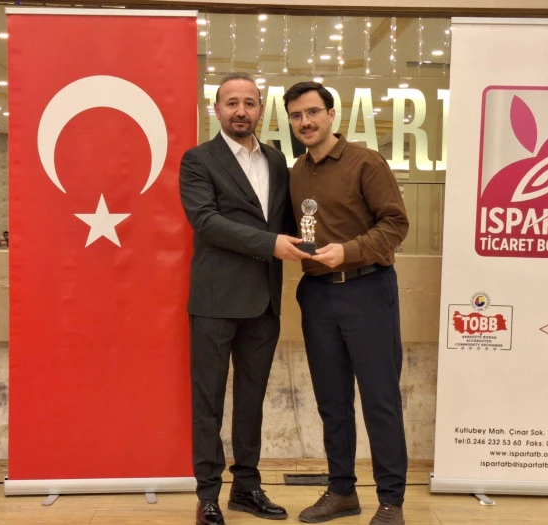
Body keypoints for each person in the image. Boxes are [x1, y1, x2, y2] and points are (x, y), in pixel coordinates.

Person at [179, 72, 308, 525]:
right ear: (216, 109)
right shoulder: (198, 159)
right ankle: (208, 495)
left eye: (249, 103)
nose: (241, 111)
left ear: (260, 109)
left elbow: (291, 219)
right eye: (231, 103)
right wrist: (270, 244)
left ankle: (247, 488)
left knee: (251, 401)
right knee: (208, 402)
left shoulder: (276, 160)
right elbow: (205, 221)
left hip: (264, 304)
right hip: (215, 301)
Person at [283, 82, 409, 525]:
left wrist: (349, 251)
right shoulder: (295, 173)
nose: (306, 122)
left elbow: (396, 224)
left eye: (313, 112)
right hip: (317, 295)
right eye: (297, 115)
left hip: (367, 290)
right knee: (332, 402)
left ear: (332, 115)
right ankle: (341, 493)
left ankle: (391, 502)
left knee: (379, 400)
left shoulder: (365, 162)